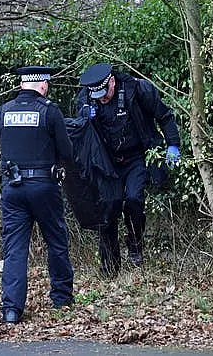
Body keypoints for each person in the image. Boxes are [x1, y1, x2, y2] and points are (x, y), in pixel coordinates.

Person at [0, 66, 74, 324]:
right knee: (56, 242)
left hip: (13, 190)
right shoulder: (50, 111)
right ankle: (62, 299)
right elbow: (66, 151)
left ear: (22, 85)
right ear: (42, 85)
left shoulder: (3, 112)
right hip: (45, 188)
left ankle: (11, 310)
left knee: (15, 250)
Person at [76, 62, 181, 276]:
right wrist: (85, 117)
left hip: (137, 156)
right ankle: (109, 267)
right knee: (108, 207)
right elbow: (79, 129)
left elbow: (165, 116)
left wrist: (173, 145)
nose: (102, 98)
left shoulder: (137, 89)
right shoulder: (86, 99)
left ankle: (135, 243)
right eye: (98, 96)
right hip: (107, 161)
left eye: (105, 93)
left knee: (133, 199)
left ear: (112, 81)